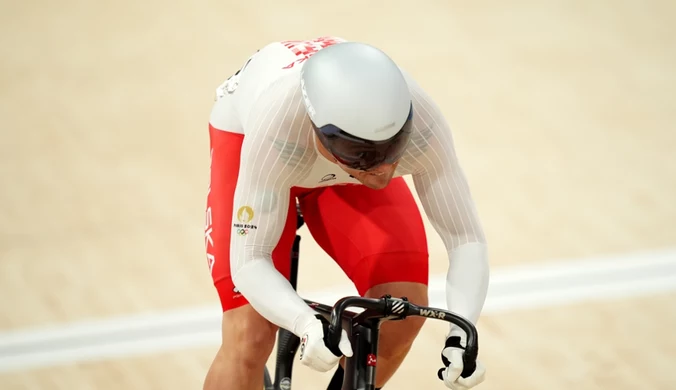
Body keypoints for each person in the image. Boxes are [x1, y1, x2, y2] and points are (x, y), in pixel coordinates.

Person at [202, 36, 489, 390]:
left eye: (393, 149)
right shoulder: (275, 124)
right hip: (259, 147)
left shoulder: (421, 123)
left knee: (402, 310)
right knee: (250, 335)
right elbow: (249, 261)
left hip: (341, 173)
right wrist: (304, 323)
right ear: (320, 132)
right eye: (363, 155)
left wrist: (462, 331)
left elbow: (465, 239)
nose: (383, 173)